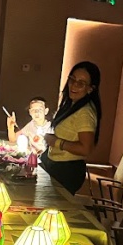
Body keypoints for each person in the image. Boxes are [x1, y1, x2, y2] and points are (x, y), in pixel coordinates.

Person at [41, 61, 102, 195]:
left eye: (81, 83)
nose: (74, 85)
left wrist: (56, 142)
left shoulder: (84, 112)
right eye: (72, 79)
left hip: (66, 169)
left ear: (90, 89)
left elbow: (86, 148)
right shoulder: (72, 105)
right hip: (56, 164)